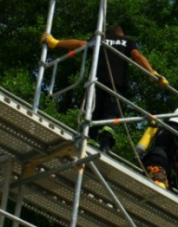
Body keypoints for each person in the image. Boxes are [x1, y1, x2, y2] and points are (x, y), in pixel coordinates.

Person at [41, 24, 167, 153]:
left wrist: (55, 42)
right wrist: (153, 74)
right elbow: (137, 56)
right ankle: (105, 144)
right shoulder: (128, 41)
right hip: (116, 83)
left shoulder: (100, 39)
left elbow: (79, 44)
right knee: (110, 114)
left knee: (93, 113)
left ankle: (88, 139)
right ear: (121, 34)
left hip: (96, 81)